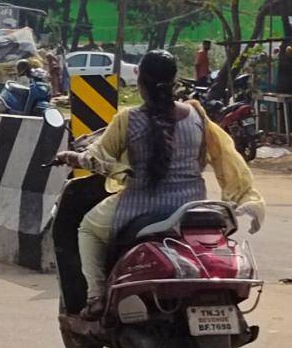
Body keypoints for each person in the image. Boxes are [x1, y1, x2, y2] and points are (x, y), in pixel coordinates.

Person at [55, 50, 265, 320]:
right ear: (175, 80)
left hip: (138, 206)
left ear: (140, 81)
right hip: (192, 206)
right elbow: (227, 157)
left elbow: (97, 159)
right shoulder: (197, 115)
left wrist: (73, 157)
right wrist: (244, 197)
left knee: (87, 229)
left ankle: (96, 297)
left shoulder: (128, 119)